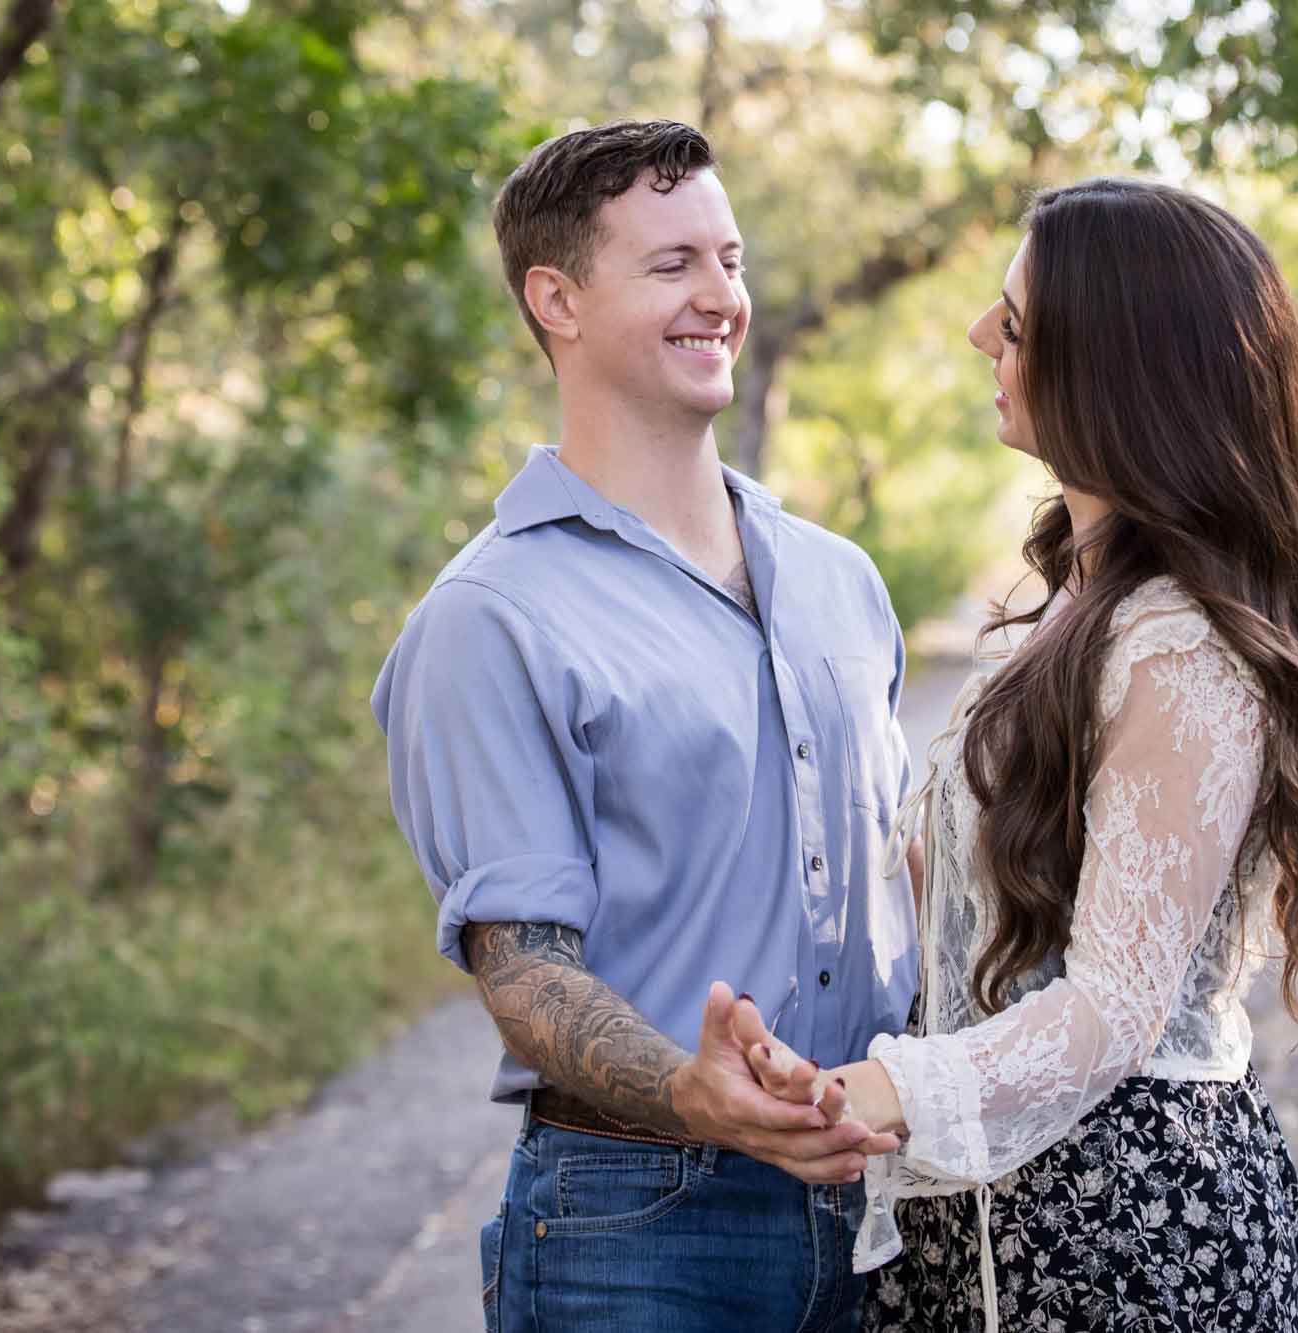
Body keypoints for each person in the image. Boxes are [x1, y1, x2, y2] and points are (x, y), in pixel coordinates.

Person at [737, 177, 1298, 1333]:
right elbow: (965, 910)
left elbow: (1112, 1007)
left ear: (1116, 371)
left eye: (1015, 323)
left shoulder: (1179, 645)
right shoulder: (1082, 608)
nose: (981, 334)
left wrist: (871, 1092)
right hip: (996, 1221)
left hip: (1124, 1239)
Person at [370, 120, 918, 1333]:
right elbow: (523, 971)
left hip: (885, 1203)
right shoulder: (490, 616)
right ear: (555, 300)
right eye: (671, 265)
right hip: (641, 1229)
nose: (721, 296)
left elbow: (910, 872)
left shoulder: (840, 580)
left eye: (728, 260)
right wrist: (691, 1088)